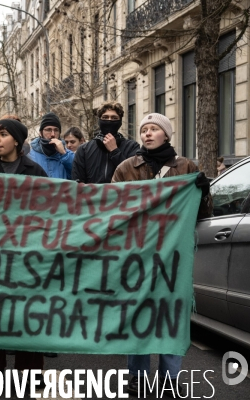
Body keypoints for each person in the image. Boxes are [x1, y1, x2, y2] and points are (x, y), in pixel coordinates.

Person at [111, 113, 212, 395]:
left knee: (171, 313)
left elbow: (203, 213)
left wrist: (203, 192)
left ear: (166, 135)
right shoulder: (126, 168)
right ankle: (137, 377)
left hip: (174, 254)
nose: (148, 134)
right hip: (136, 253)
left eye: (154, 129)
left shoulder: (187, 167)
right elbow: (111, 208)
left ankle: (170, 378)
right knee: (139, 312)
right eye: (144, 130)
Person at [0, 118, 46, 383]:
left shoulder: (35, 170)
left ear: (16, 140)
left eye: (3, 135)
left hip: (27, 253)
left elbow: (49, 209)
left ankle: (29, 371)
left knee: (28, 312)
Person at [72, 101, 140, 183]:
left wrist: (115, 152)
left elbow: (133, 177)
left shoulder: (132, 147)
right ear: (99, 121)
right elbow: (77, 181)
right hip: (94, 195)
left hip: (121, 195)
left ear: (120, 121)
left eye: (114, 118)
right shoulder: (84, 150)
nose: (109, 121)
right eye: (105, 117)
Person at [27, 112, 74, 179]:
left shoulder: (69, 155)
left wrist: (64, 154)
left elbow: (76, 177)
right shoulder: (30, 156)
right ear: (40, 133)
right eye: (48, 130)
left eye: (56, 130)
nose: (52, 134)